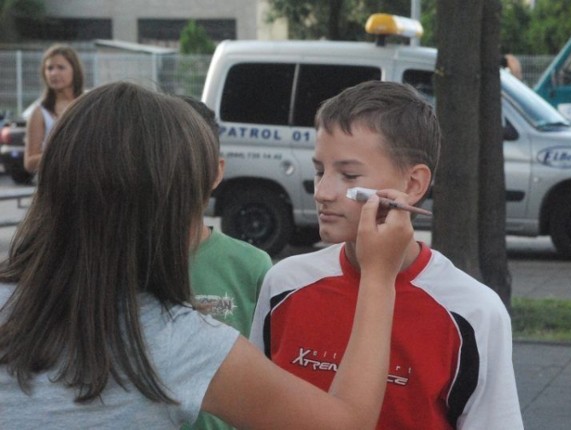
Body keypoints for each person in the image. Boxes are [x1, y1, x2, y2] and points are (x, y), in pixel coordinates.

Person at [0, 81, 414, 428]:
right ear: (165, 207)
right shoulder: (173, 339)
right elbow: (347, 423)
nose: (325, 190)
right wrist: (378, 276)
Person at [250, 80, 524, 429]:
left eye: (349, 175)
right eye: (320, 170)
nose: (322, 191)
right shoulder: (284, 283)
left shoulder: (473, 310)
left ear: (412, 185)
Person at [177, 97, 273, 430]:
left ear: (217, 170)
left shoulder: (253, 267)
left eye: (190, 159)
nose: (175, 172)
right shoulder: (114, 266)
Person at [24, 43, 84, 174]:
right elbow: (30, 163)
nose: (54, 73)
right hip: (55, 185)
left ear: (75, 69)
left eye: (61, 67)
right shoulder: (40, 111)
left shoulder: (88, 103)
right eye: (49, 68)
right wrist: (64, 154)